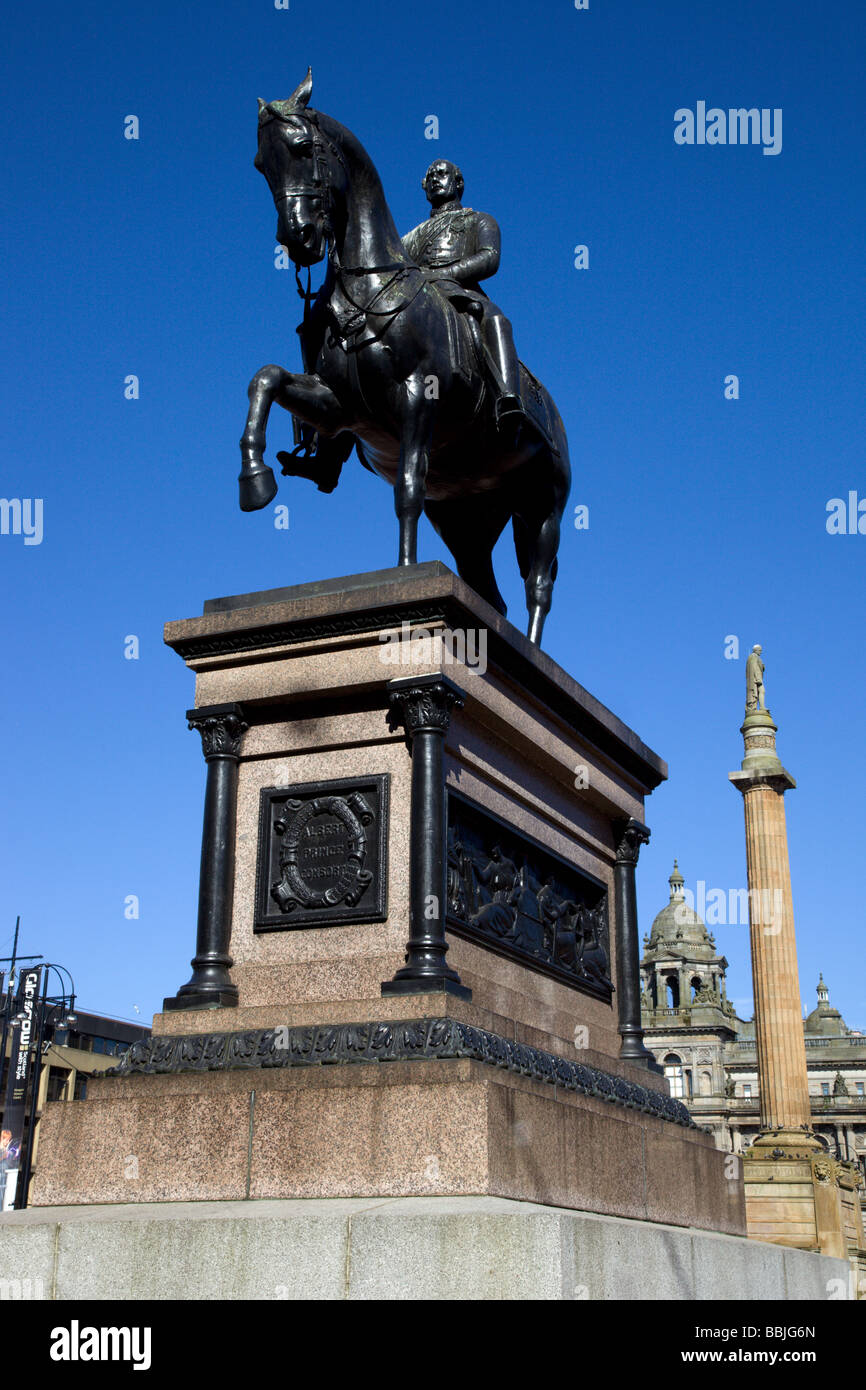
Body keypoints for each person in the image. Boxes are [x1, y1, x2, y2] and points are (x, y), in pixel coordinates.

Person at [403, 159, 531, 442]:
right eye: (429, 176)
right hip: (418, 295)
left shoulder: (479, 220)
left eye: (442, 174)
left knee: (496, 320)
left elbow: (489, 258)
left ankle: (508, 397)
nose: (435, 179)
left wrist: (442, 274)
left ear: (458, 183)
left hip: (461, 292)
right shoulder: (410, 237)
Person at [745, 644, 766, 711]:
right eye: (760, 650)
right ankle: (762, 707)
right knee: (762, 691)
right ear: (756, 650)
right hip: (757, 678)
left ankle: (762, 707)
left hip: (757, 678)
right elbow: (754, 667)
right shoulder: (754, 656)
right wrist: (758, 679)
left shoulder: (754, 657)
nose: (761, 652)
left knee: (761, 692)